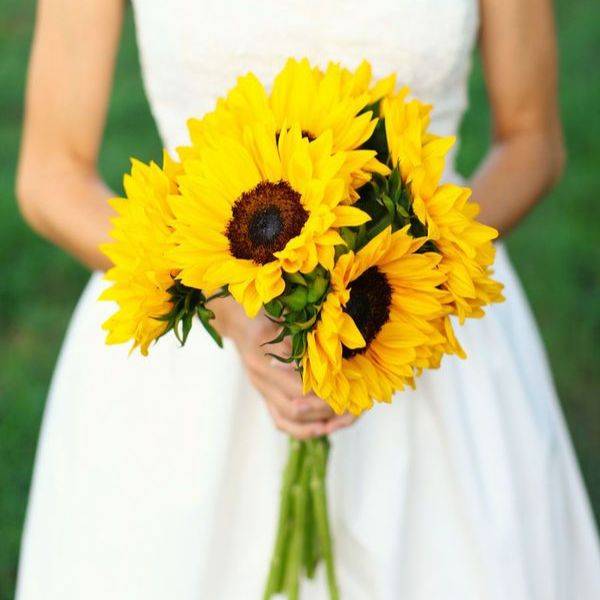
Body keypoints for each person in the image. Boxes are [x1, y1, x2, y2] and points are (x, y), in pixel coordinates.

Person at [15, 0, 600, 598]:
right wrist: (225, 304)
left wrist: (417, 275)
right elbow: (49, 174)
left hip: (420, 336)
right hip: (188, 365)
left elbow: (533, 141)